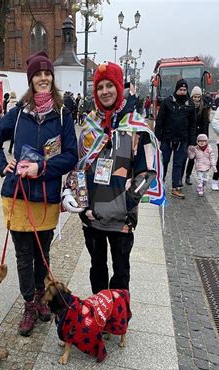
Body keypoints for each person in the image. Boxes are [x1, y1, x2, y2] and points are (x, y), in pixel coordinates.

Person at [0, 51, 78, 337]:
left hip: (47, 196)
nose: (43, 78)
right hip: (17, 195)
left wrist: (42, 168)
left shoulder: (63, 115)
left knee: (42, 253)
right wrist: (4, 164)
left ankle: (41, 298)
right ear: (31, 80)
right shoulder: (16, 115)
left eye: (47, 74)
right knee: (24, 255)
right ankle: (29, 303)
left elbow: (71, 156)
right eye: (38, 74)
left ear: (52, 79)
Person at [62, 62, 155, 296]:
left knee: (121, 272)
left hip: (121, 218)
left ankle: (117, 318)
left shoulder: (136, 127)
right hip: (91, 216)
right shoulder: (89, 125)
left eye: (109, 86)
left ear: (118, 87)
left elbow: (148, 172)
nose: (104, 91)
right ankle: (99, 314)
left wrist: (125, 203)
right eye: (100, 87)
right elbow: (78, 166)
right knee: (97, 269)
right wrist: (72, 194)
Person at [155, 78, 196, 199]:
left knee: (178, 164)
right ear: (176, 89)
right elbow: (160, 121)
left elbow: (192, 124)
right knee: (163, 162)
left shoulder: (190, 104)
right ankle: (159, 185)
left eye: (184, 90)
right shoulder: (167, 102)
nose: (182, 92)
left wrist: (192, 142)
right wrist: (157, 137)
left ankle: (176, 187)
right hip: (167, 138)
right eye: (180, 89)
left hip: (182, 139)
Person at [183, 86, 211, 185]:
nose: (197, 99)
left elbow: (205, 123)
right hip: (188, 134)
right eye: (195, 97)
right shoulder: (187, 106)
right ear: (192, 97)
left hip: (199, 135)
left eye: (198, 97)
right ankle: (180, 176)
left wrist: (205, 138)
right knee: (184, 157)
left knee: (193, 157)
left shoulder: (204, 107)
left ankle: (188, 175)